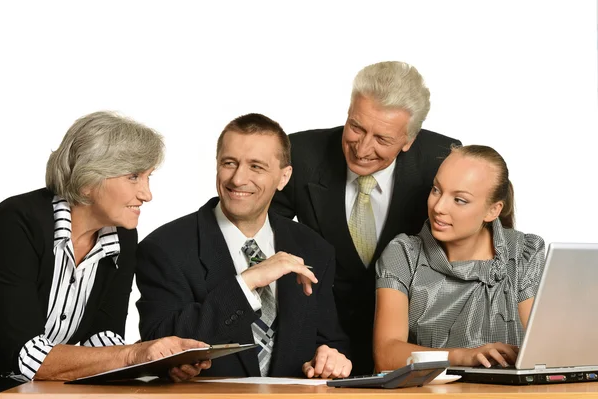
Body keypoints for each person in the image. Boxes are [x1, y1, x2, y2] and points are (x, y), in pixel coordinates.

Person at [270, 61, 461, 374]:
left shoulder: (443, 160)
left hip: (415, 346)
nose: (362, 148)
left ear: (410, 140)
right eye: (356, 127)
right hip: (320, 347)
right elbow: (253, 234)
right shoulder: (300, 154)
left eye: (382, 139)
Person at [0, 111, 211, 392]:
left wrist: (155, 362)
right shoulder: (16, 222)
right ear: (87, 181)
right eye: (133, 177)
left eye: (148, 177)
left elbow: (102, 336)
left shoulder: (122, 235)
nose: (147, 194)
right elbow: (24, 357)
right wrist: (133, 355)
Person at [136, 113, 351, 378]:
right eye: (229, 163)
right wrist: (246, 283)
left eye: (256, 167)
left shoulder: (315, 249)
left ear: (284, 178)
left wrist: (329, 357)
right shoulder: (164, 248)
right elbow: (155, 348)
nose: (238, 179)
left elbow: (329, 340)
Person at [373, 145, 545, 371]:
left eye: (460, 200)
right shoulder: (403, 255)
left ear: (492, 211)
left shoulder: (524, 253)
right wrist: (464, 356)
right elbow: (386, 355)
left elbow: (541, 352)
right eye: (436, 190)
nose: (439, 207)